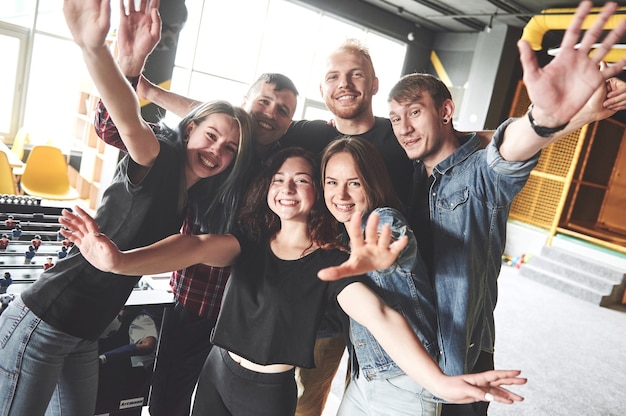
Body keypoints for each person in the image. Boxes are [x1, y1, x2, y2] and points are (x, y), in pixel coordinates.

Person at [60, 146, 527, 416]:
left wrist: (442, 384)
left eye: (302, 180)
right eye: (279, 178)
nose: (286, 187)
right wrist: (119, 260)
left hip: (265, 395)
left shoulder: (331, 263)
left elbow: (382, 314)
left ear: (316, 194)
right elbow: (197, 246)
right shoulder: (248, 239)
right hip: (217, 370)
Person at [0, 0, 253, 414]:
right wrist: (95, 49)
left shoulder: (193, 194)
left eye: (229, 149)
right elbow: (128, 117)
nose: (215, 151)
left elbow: (208, 123)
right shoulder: (160, 157)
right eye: (209, 136)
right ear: (189, 130)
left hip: (86, 331)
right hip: (46, 321)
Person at [386, 2, 626, 415]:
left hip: (461, 355)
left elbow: (508, 149)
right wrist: (578, 117)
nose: (403, 127)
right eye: (394, 118)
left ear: (445, 111)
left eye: (414, 112)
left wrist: (545, 118)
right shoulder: (404, 172)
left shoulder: (478, 174)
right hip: (410, 351)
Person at [92, 4, 299, 413]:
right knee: (168, 393)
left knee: (219, 402)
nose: (271, 113)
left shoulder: (280, 164)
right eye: (264, 102)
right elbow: (115, 126)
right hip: (195, 301)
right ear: (246, 102)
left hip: (247, 314)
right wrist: (139, 83)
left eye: (284, 110)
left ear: (292, 122)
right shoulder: (199, 151)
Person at [320, 136, 440, 415]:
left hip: (407, 383)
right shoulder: (341, 233)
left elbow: (391, 236)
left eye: (354, 183)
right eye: (332, 182)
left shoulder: (384, 218)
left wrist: (381, 255)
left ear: (371, 183)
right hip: (365, 377)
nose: (341, 195)